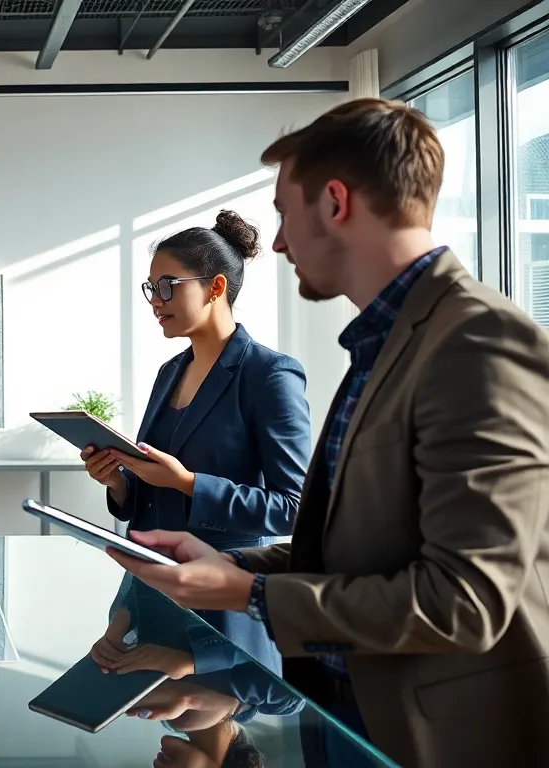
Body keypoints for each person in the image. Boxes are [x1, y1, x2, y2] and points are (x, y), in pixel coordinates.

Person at [105, 98, 549, 768]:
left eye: (286, 214)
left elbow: (465, 602)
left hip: (431, 734)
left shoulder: (477, 340)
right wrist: (234, 566)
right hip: (348, 709)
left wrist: (248, 592)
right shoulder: (385, 344)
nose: (280, 242)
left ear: (336, 202)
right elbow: (358, 551)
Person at [82, 210, 310, 673]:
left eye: (167, 286)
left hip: (226, 612)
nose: (155, 300)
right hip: (150, 599)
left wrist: (187, 482)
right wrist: (119, 483)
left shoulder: (269, 375)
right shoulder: (170, 372)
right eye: (151, 288)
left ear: (215, 287)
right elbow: (150, 494)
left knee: (219, 707)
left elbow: (293, 508)